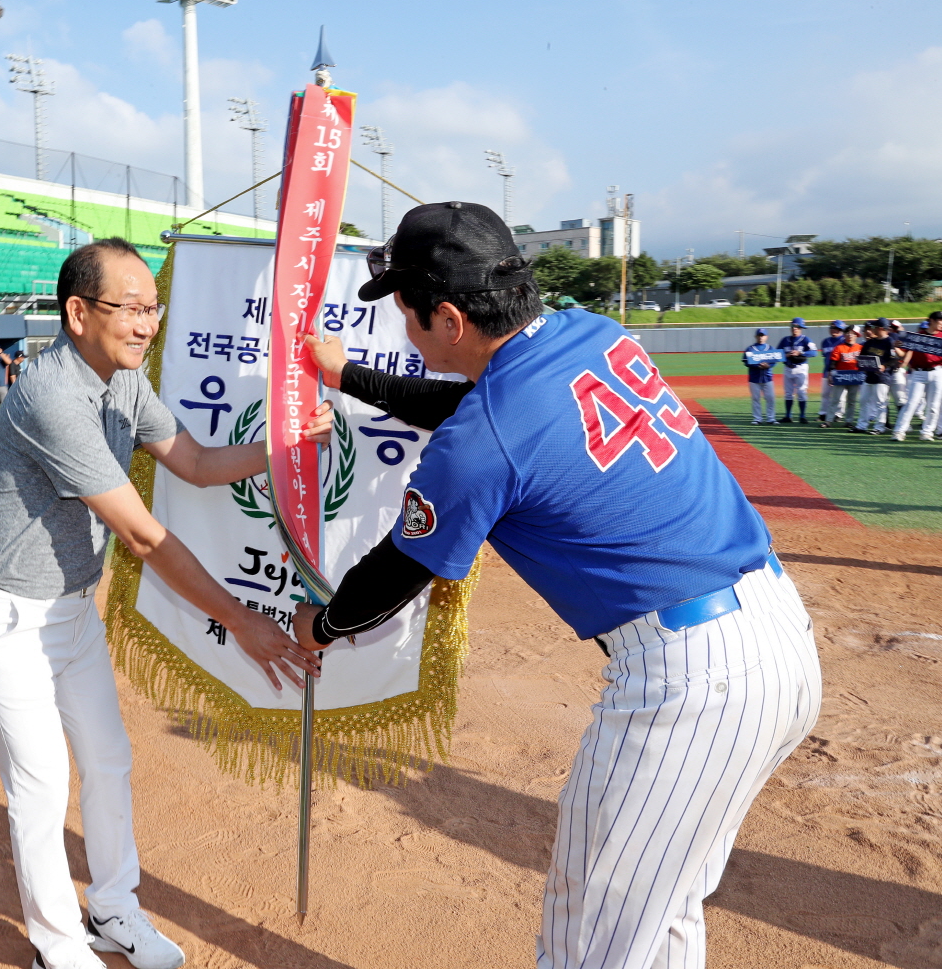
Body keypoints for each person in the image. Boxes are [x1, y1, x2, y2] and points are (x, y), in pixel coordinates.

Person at [292, 202, 818, 969]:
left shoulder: (486, 437)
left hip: (695, 681)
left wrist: (323, 626)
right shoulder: (590, 331)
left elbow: (402, 566)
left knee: (594, 926)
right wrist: (350, 376)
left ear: (447, 317)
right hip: (773, 631)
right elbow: (487, 407)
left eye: (405, 311)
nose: (401, 326)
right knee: (658, 909)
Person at [0, 238, 329, 969]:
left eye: (151, 308)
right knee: (40, 784)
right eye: (128, 308)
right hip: (7, 617)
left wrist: (284, 445)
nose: (145, 324)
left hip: (69, 611)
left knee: (109, 760)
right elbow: (143, 536)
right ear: (76, 312)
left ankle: (114, 911)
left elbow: (194, 462)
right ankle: (58, 951)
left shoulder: (123, 379)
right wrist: (242, 621)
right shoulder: (50, 393)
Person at [893, 310, 942, 442]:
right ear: (931, 321)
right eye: (939, 320)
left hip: (937, 371)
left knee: (934, 405)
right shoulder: (918, 336)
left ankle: (927, 432)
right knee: (911, 403)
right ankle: (899, 431)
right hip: (918, 372)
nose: (941, 323)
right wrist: (901, 356)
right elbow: (906, 353)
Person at [854, 321, 898, 434]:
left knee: (880, 402)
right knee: (863, 401)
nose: (871, 329)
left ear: (881, 328)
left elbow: (894, 359)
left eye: (874, 327)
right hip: (869, 376)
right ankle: (861, 425)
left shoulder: (889, 342)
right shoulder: (870, 342)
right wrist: (860, 363)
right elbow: (862, 356)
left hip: (882, 377)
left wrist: (884, 365)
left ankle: (880, 427)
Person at [775, 316, 816, 423]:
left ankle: (802, 416)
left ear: (801, 328)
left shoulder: (806, 339)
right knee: (788, 393)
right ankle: (788, 416)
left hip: (801, 368)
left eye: (797, 327)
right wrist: (786, 355)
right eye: (793, 326)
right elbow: (777, 354)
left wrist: (800, 352)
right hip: (788, 368)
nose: (795, 328)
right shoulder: (785, 340)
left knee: (801, 392)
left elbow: (814, 352)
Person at [824, 326, 864, 428]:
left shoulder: (860, 348)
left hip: (854, 376)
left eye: (852, 333)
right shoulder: (839, 347)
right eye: (847, 333)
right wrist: (830, 375)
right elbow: (833, 363)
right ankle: (828, 420)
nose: (850, 335)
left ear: (856, 335)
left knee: (851, 400)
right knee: (835, 399)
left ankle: (849, 421)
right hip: (841, 376)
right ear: (845, 335)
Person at [744, 329, 778, 425]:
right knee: (756, 399)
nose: (761, 337)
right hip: (754, 378)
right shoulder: (750, 349)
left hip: (767, 378)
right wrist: (757, 366)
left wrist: (769, 366)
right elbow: (746, 362)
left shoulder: (770, 348)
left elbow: (774, 361)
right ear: (756, 336)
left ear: (766, 337)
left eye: (763, 335)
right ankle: (757, 418)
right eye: (759, 335)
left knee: (770, 398)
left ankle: (771, 418)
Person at [817, 320, 847, 424]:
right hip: (827, 371)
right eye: (832, 328)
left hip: (840, 372)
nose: (834, 330)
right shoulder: (825, 341)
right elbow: (826, 357)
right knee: (825, 394)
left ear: (841, 330)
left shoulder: (844, 341)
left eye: (837, 329)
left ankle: (838, 414)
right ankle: (823, 413)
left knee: (841, 395)